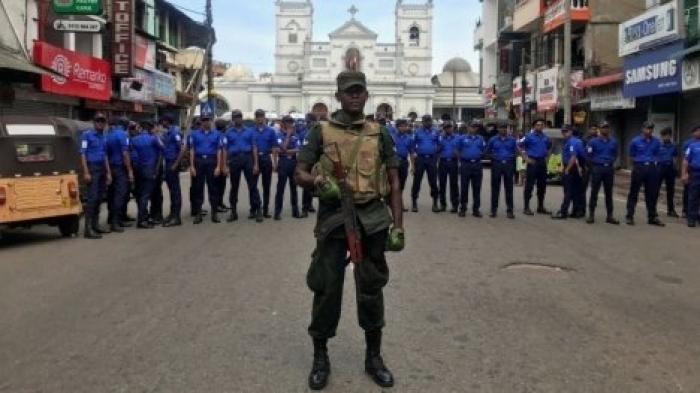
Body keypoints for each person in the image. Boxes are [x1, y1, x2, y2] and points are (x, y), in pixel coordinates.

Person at [294, 71, 404, 390]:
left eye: (359, 91)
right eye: (348, 92)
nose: (355, 96)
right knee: (327, 288)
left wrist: (398, 226)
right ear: (338, 96)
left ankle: (373, 357)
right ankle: (320, 357)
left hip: (372, 220)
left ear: (367, 95)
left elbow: (395, 182)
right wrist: (317, 181)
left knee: (371, 288)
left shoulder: (379, 133)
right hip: (334, 220)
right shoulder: (321, 131)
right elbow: (299, 172)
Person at [222, 110, 261, 223]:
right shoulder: (228, 133)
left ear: (242, 118)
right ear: (233, 119)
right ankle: (233, 212)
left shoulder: (249, 132)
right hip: (234, 160)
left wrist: (256, 164)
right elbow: (225, 150)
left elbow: (254, 148)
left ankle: (258, 210)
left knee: (253, 186)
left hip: (247, 158)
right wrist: (225, 165)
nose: (237, 119)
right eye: (235, 117)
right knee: (234, 187)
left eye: (239, 117)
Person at [80, 113, 112, 239]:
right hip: (92, 168)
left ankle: (96, 225)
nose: (100, 123)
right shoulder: (86, 135)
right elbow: (82, 154)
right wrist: (86, 172)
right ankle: (88, 229)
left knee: (99, 198)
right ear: (94, 122)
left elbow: (105, 156)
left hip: (102, 169)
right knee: (92, 199)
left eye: (102, 121)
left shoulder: (104, 137)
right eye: (98, 121)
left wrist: (108, 172)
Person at [626, 121, 664, 226]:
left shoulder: (656, 142)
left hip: (652, 168)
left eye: (651, 128)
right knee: (634, 192)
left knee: (652, 194)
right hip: (639, 167)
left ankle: (652, 217)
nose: (649, 130)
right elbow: (631, 156)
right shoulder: (635, 141)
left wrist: (656, 167)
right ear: (642, 129)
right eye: (647, 128)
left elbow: (658, 155)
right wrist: (635, 167)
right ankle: (629, 216)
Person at [188, 114, 224, 224]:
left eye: (207, 120)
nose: (205, 122)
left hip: (211, 161)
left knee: (213, 188)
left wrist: (218, 166)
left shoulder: (217, 134)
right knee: (198, 188)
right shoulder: (194, 134)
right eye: (203, 120)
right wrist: (192, 166)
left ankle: (214, 213)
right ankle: (198, 214)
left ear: (211, 121)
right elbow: (192, 150)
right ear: (201, 122)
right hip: (198, 162)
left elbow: (219, 151)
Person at [131, 120, 164, 229]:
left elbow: (134, 158)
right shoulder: (153, 139)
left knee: (140, 195)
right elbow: (162, 148)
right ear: (150, 129)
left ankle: (144, 216)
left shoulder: (134, 139)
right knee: (146, 195)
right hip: (150, 170)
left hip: (138, 170)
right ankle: (142, 220)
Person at [586, 121, 620, 225]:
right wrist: (593, 167)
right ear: (599, 130)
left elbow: (615, 154)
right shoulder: (593, 142)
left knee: (609, 193)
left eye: (607, 127)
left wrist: (610, 163)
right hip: (597, 168)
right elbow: (588, 155)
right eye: (603, 128)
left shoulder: (613, 142)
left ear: (609, 129)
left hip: (609, 169)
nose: (605, 129)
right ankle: (591, 215)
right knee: (594, 192)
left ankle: (610, 216)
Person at [519, 118, 552, 215]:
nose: (540, 126)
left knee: (542, 186)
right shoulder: (528, 136)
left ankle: (540, 207)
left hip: (542, 163)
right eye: (538, 125)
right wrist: (526, 158)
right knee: (529, 186)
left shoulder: (545, 137)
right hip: (532, 162)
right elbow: (518, 145)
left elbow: (549, 147)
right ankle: (526, 207)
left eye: (542, 125)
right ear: (534, 126)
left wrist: (547, 157)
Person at [106, 116, 134, 232]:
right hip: (120, 168)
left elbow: (106, 154)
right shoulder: (123, 135)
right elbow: (125, 154)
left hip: (110, 167)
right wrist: (129, 170)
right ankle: (115, 222)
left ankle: (113, 219)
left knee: (112, 195)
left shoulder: (108, 135)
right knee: (120, 195)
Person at [552, 125, 586, 220]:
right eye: (563, 131)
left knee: (568, 191)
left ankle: (563, 212)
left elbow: (573, 157)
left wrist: (567, 169)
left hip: (572, 167)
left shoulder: (572, 142)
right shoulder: (576, 141)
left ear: (571, 132)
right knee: (575, 191)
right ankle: (577, 211)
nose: (564, 133)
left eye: (566, 131)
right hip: (577, 168)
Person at [487, 121, 517, 218]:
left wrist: (511, 157)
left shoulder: (512, 140)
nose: (503, 129)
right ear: (498, 129)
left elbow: (516, 151)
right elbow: (487, 151)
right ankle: (493, 210)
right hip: (497, 165)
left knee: (509, 189)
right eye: (501, 127)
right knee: (495, 188)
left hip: (508, 165)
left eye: (505, 128)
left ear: (507, 129)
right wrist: (494, 157)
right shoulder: (493, 140)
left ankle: (510, 210)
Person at [457, 120, 487, 218]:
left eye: (476, 127)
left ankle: (476, 209)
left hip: (477, 165)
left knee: (477, 188)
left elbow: (483, 150)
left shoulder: (481, 139)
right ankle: (463, 209)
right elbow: (456, 150)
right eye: (472, 126)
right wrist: (461, 158)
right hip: (466, 165)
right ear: (468, 127)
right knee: (464, 188)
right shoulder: (462, 138)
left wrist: (478, 155)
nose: (474, 128)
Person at [274, 115, 302, 220]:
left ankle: (295, 211)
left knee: (294, 189)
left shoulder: (296, 135)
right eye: (287, 122)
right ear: (283, 123)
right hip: (283, 163)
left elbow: (298, 149)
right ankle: (277, 212)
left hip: (293, 163)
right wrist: (288, 136)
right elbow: (282, 148)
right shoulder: (279, 134)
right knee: (280, 189)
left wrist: (287, 151)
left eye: (291, 122)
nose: (290, 124)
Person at [252, 109, 279, 219]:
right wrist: (255, 164)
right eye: (257, 116)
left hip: (266, 159)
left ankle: (265, 210)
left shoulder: (271, 131)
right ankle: (254, 208)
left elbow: (274, 147)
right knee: (253, 186)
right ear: (255, 118)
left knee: (266, 186)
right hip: (254, 159)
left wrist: (275, 162)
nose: (259, 118)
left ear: (264, 117)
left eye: (261, 116)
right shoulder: (251, 131)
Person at [410, 114, 440, 212]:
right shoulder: (417, 132)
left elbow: (440, 145)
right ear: (422, 122)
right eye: (426, 121)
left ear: (431, 121)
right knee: (417, 182)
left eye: (429, 121)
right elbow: (412, 145)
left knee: (433, 182)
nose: (428, 123)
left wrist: (435, 153)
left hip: (431, 159)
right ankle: (414, 203)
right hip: (420, 160)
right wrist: (414, 157)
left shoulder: (436, 132)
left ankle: (435, 203)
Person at [161, 114, 185, 227]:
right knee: (171, 191)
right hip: (169, 163)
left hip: (172, 163)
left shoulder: (175, 132)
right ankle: (172, 214)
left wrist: (176, 164)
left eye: (163, 121)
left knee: (175, 191)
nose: (162, 124)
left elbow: (182, 149)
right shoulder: (168, 132)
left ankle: (176, 217)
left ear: (167, 121)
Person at [391, 119, 414, 212]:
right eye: (401, 126)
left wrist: (413, 166)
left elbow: (412, 153)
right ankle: (397, 204)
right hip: (393, 163)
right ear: (397, 127)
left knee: (401, 185)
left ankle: (399, 203)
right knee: (394, 184)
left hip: (404, 163)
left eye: (405, 126)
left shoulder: (409, 138)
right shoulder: (392, 137)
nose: (403, 128)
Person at [437, 121, 460, 213]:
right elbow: (436, 150)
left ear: (453, 128)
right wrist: (439, 146)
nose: (448, 129)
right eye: (446, 128)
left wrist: (458, 155)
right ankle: (443, 205)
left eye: (449, 127)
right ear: (444, 129)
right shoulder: (440, 138)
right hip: (443, 162)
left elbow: (462, 149)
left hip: (453, 162)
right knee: (442, 184)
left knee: (454, 185)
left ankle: (455, 205)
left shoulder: (458, 138)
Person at [657, 127, 679, 218]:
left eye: (667, 135)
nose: (665, 137)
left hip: (670, 169)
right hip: (660, 168)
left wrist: (675, 169)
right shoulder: (658, 146)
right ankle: (652, 209)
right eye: (663, 136)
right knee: (655, 189)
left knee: (671, 190)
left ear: (670, 136)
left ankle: (671, 210)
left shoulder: (673, 146)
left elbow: (675, 158)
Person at [682, 126, 700, 227]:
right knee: (693, 196)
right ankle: (691, 218)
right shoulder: (692, 146)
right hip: (695, 173)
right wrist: (684, 174)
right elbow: (685, 161)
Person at [300, 113, 317, 216]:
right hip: (306, 161)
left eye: (308, 121)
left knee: (313, 184)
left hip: (315, 162)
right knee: (306, 184)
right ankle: (304, 208)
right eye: (306, 121)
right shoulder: (303, 132)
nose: (306, 123)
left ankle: (310, 204)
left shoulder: (317, 132)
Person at [214, 118, 230, 214]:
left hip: (219, 164)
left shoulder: (219, 135)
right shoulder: (221, 136)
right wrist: (224, 166)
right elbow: (223, 152)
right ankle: (217, 205)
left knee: (221, 186)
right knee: (219, 186)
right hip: (219, 164)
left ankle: (220, 203)